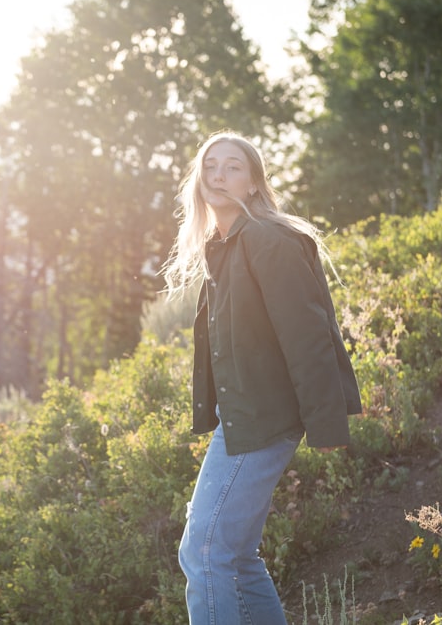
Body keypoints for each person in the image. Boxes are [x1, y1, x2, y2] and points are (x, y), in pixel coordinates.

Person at [162, 131, 362, 624]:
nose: (218, 175)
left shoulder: (267, 240)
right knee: (234, 556)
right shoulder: (225, 246)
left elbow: (308, 335)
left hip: (264, 419)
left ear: (254, 184)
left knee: (204, 553)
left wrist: (328, 425)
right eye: (210, 166)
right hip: (244, 418)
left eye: (232, 167)